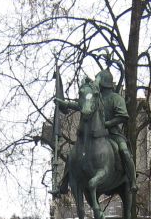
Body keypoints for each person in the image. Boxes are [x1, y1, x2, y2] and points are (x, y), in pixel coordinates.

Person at [51, 68, 137, 197]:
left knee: (124, 151)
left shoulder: (116, 98)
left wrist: (107, 124)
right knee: (73, 155)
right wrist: (65, 103)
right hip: (94, 135)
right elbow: (81, 105)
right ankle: (63, 185)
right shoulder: (96, 97)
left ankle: (132, 180)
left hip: (113, 134)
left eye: (98, 80)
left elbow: (123, 116)